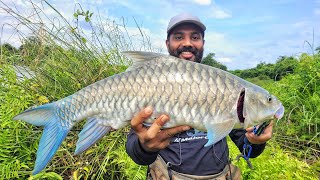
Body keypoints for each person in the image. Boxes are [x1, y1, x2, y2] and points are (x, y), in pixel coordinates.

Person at [125, 13, 273, 180]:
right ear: (168, 43)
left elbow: (246, 146)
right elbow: (136, 152)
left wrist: (255, 142)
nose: (187, 43)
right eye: (179, 37)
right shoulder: (152, 84)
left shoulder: (226, 85)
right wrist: (146, 147)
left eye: (195, 37)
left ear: (203, 43)